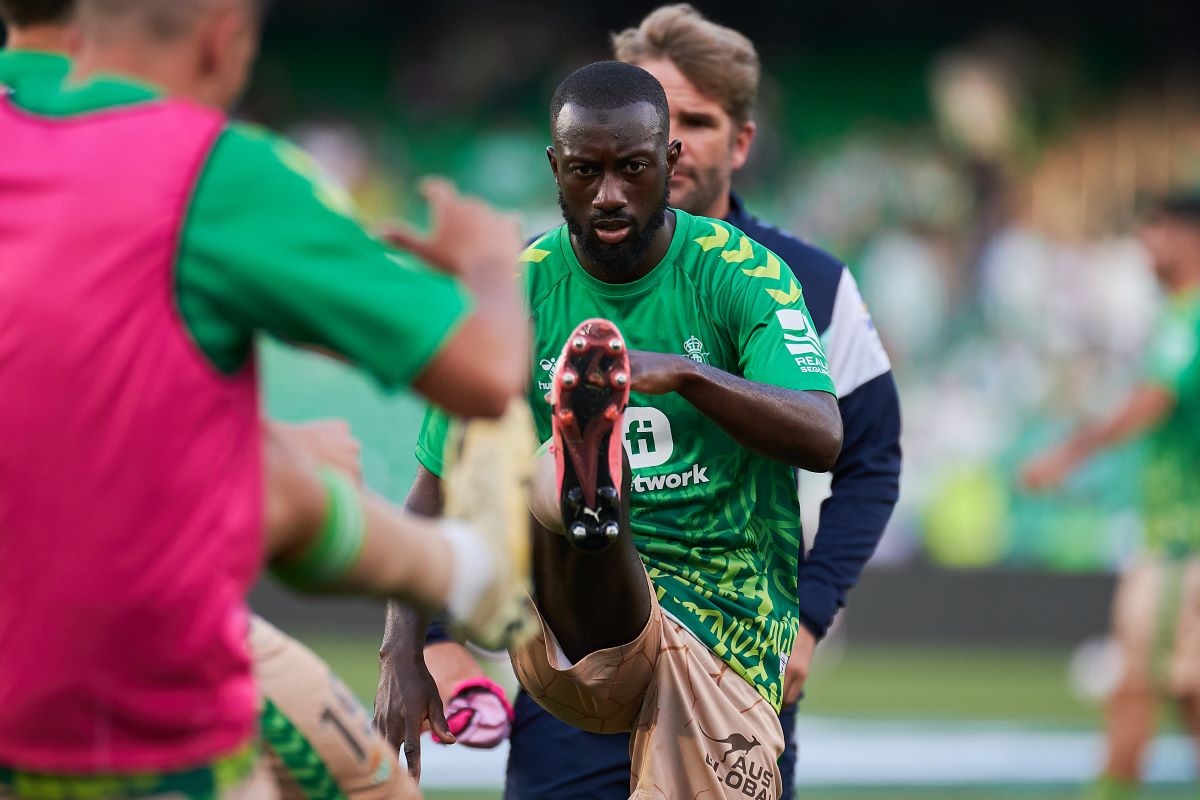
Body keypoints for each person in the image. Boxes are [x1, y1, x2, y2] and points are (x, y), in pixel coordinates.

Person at [0, 0, 534, 796]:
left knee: (262, 457)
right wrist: (492, 263)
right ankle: (462, 569)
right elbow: (487, 371)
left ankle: (457, 570)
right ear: (227, 39)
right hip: (118, 731)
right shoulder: (207, 169)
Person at [404, 5, 904, 797]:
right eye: (588, 161)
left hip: (731, 639)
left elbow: (859, 454)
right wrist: (423, 641)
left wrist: (810, 617)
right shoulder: (526, 286)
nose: (611, 186)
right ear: (561, 162)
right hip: (574, 643)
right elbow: (440, 471)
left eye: (696, 122)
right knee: (546, 474)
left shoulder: (794, 280)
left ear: (698, 145)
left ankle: (584, 480)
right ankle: (586, 482)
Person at [1021, 195, 1200, 800]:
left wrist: (1069, 453)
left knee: (1135, 683)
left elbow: (1154, 400)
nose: (1147, 246)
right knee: (1188, 689)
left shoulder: (1189, 313)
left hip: (1183, 539)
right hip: (1177, 535)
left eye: (1156, 231)